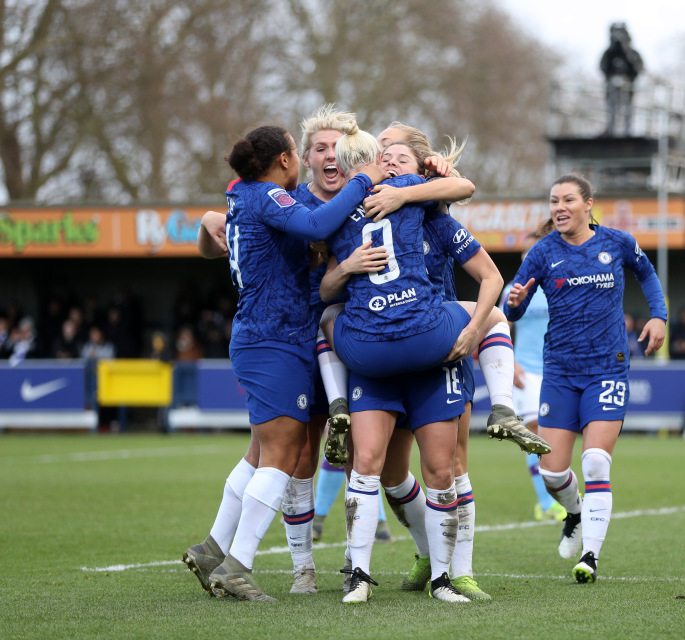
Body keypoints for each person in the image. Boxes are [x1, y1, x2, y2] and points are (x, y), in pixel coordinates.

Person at [185, 106, 394, 598]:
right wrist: (365, 181)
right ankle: (237, 567)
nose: (318, 157)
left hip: (271, 337)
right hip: (276, 339)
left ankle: (213, 549)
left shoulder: (246, 196)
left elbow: (228, 235)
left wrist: (210, 217)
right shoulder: (273, 196)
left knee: (260, 453)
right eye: (308, 150)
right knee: (283, 455)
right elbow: (318, 222)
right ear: (286, 159)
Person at [319, 130, 506, 603]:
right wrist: (346, 266)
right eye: (382, 151)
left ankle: (457, 573)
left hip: (436, 350)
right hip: (396, 346)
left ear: (421, 166)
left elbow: (464, 191)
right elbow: (324, 282)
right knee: (386, 472)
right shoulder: (367, 201)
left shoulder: (430, 208)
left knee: (449, 466)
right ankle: (419, 556)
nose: (387, 155)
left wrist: (472, 331)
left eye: (398, 151)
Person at [504, 174, 667, 584]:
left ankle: (591, 556)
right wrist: (516, 304)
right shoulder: (541, 253)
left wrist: (659, 316)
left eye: (568, 200)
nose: (559, 207)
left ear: (588, 204)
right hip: (559, 373)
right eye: (554, 200)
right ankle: (575, 514)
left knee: (595, 461)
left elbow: (647, 275)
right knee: (552, 473)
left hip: (607, 368)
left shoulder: (617, 243)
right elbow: (514, 312)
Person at [506, 232, 566, 522]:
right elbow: (499, 327)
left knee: (555, 437)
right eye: (524, 253)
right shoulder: (513, 289)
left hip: (557, 370)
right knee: (535, 435)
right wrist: (511, 361)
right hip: (526, 371)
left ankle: (556, 495)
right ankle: (545, 503)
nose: (527, 257)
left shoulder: (559, 286)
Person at [599, 22, 643, 137]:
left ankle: (628, 130)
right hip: (612, 88)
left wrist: (627, 54)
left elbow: (638, 68)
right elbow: (603, 67)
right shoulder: (608, 54)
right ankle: (612, 129)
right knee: (612, 108)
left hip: (628, 89)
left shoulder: (632, 53)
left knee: (628, 109)